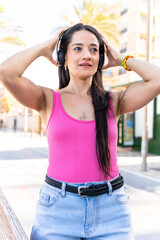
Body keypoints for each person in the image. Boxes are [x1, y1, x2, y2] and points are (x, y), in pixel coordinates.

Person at [0, 23, 159, 240]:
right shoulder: (47, 99)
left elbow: (157, 79)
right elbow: (6, 72)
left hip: (112, 211)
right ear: (63, 56)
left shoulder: (115, 101)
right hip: (58, 211)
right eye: (78, 48)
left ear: (101, 59)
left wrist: (120, 58)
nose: (87, 55)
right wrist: (44, 47)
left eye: (94, 49)